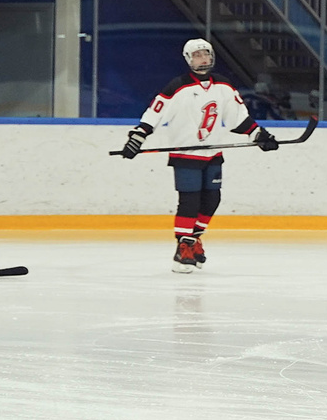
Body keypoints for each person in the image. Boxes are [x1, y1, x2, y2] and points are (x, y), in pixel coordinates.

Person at [114, 38, 278, 271]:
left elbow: (237, 117)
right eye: (197, 55)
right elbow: (154, 113)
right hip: (186, 155)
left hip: (213, 153)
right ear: (188, 59)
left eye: (206, 54)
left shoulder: (223, 85)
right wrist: (137, 137)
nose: (203, 59)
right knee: (190, 201)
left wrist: (258, 135)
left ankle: (193, 239)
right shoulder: (178, 86)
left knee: (212, 200)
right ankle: (182, 249)